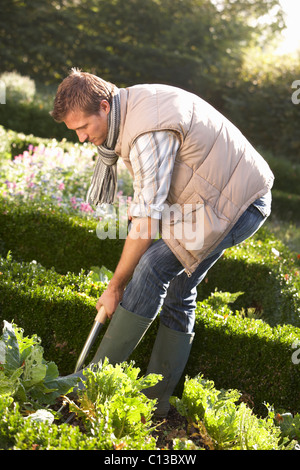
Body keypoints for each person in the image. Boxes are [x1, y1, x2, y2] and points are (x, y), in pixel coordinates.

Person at [51, 68, 274, 417]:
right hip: (216, 197)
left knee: (153, 266)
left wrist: (116, 285)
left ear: (105, 107)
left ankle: (87, 388)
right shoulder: (132, 111)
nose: (81, 137)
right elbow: (151, 193)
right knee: (180, 288)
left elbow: (147, 221)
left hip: (235, 202)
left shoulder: (146, 130)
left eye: (83, 127)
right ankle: (157, 403)